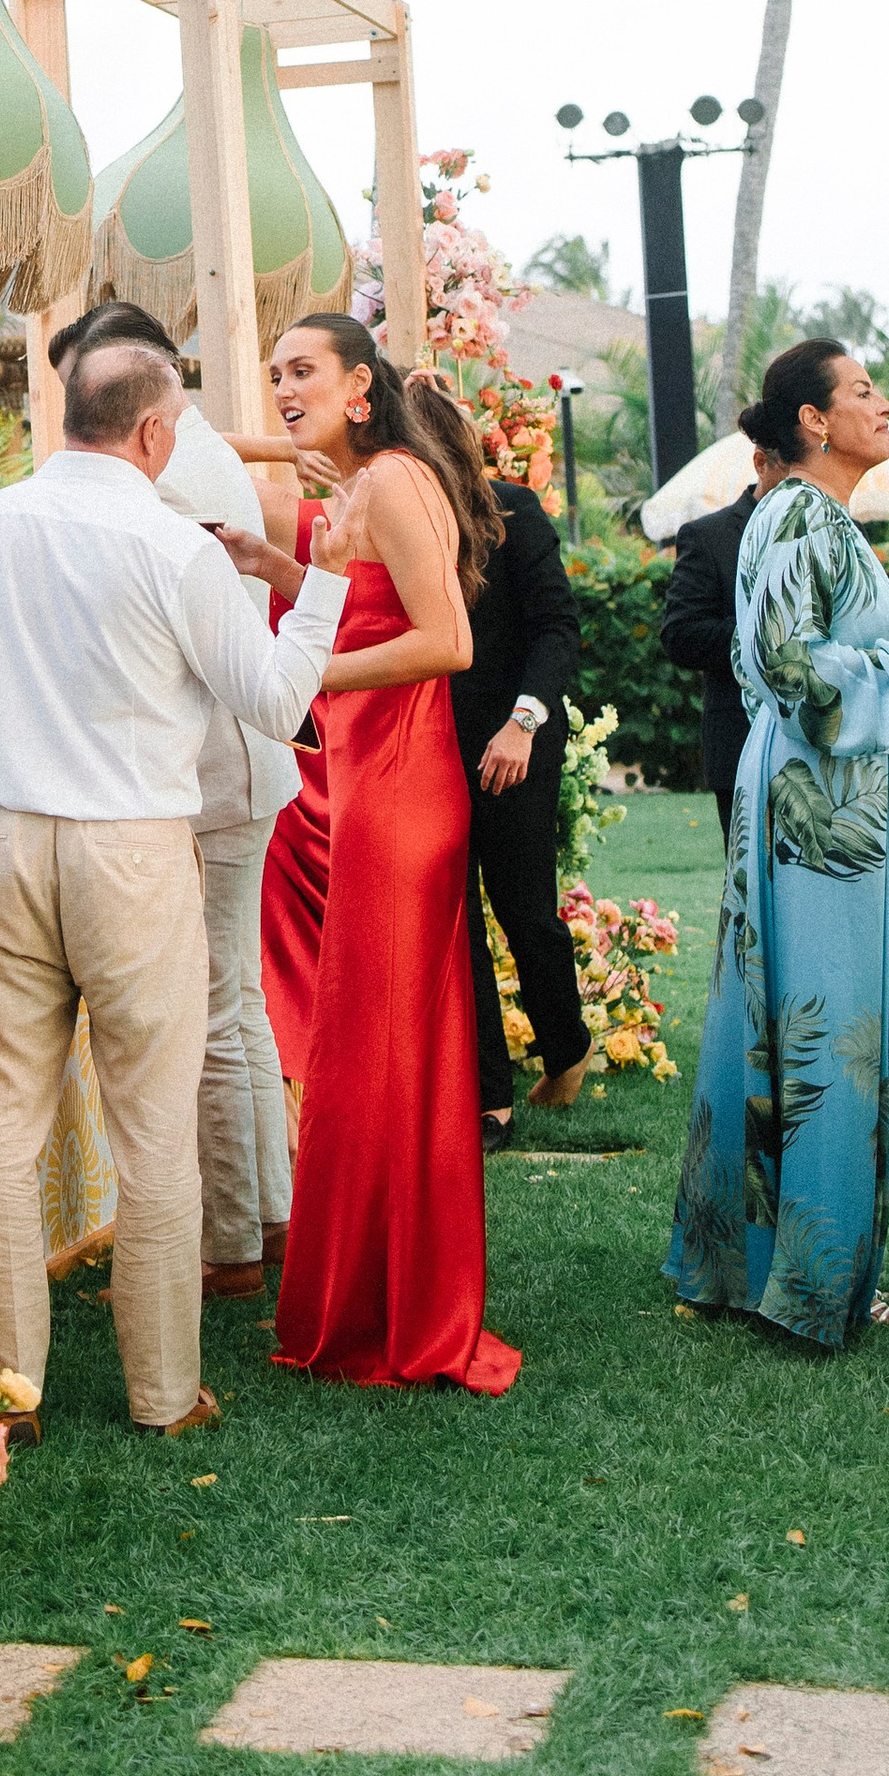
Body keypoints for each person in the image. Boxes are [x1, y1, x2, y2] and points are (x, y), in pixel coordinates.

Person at [0, 332, 348, 1437]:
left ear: (68, 422)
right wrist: (324, 584)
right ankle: (159, 1393)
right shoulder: (174, 548)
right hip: (133, 850)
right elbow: (276, 703)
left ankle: (0, 1396)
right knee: (150, 1128)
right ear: (152, 432)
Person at [217, 312, 521, 1395]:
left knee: (387, 1051)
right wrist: (272, 566)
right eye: (275, 372)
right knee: (368, 1052)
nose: (283, 386)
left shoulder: (392, 480)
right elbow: (356, 614)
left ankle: (405, 1315)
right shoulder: (352, 492)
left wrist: (304, 684)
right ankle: (369, 1296)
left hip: (401, 787)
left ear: (359, 387)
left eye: (301, 371)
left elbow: (448, 642)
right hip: (363, 779)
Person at [663, 340, 889, 1348]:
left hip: (808, 789)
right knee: (824, 1032)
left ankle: (756, 1264)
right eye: (859, 391)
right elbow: (792, 666)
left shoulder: (797, 514)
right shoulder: (803, 513)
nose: (880, 403)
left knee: (779, 1020)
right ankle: (814, 1281)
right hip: (820, 806)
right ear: (811, 419)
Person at [45, 302, 295, 1299]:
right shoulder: (192, 448)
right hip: (232, 756)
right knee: (235, 996)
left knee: (211, 1006)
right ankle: (264, 1218)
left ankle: (227, 1241)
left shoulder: (170, 475)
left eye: (88, 392)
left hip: (214, 762)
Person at [405, 369, 592, 1140]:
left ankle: (566, 1045)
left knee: (524, 912)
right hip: (424, 748)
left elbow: (557, 629)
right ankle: (490, 1095)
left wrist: (523, 722)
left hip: (514, 741)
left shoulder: (513, 510)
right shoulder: (401, 523)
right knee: (454, 922)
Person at [659, 457, 769, 843]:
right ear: (761, 461)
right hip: (742, 740)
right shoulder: (710, 535)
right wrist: (767, 636)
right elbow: (681, 634)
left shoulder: (835, 530)